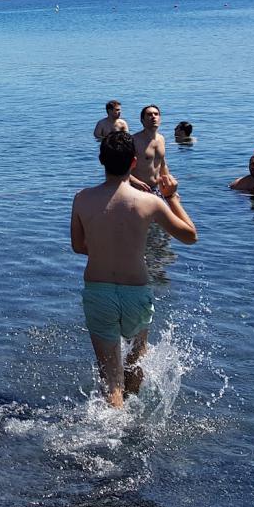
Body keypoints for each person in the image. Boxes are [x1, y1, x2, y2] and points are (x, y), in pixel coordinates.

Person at [70, 131, 197, 408]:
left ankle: (113, 422)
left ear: (101, 160)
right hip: (136, 292)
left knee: (109, 378)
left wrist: (106, 249)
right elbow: (190, 236)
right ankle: (130, 409)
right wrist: (172, 197)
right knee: (137, 355)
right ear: (134, 163)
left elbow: (79, 246)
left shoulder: (81, 199)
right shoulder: (149, 202)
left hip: (98, 291)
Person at [130, 105, 169, 191]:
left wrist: (169, 185)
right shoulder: (134, 140)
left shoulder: (161, 139)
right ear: (142, 120)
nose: (153, 117)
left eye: (156, 114)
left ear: (160, 119)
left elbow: (163, 165)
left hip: (156, 188)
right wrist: (136, 182)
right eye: (149, 114)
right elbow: (120, 168)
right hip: (136, 189)